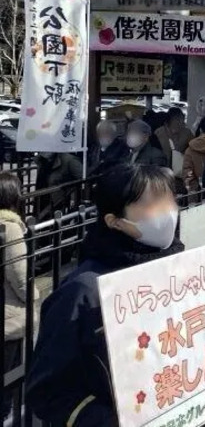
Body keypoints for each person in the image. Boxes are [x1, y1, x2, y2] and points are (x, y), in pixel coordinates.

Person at [27, 164, 185, 425]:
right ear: (114, 221)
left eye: (170, 200)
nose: (168, 212)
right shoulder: (84, 291)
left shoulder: (178, 267)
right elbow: (47, 392)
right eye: (152, 204)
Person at [1, 172, 39, 420]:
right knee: (8, 381)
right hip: (9, 318)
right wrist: (34, 295)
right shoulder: (10, 228)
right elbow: (20, 276)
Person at [34, 152, 83, 218]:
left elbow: (83, 181)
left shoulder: (70, 160)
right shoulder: (42, 160)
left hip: (59, 203)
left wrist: (72, 198)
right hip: (43, 200)